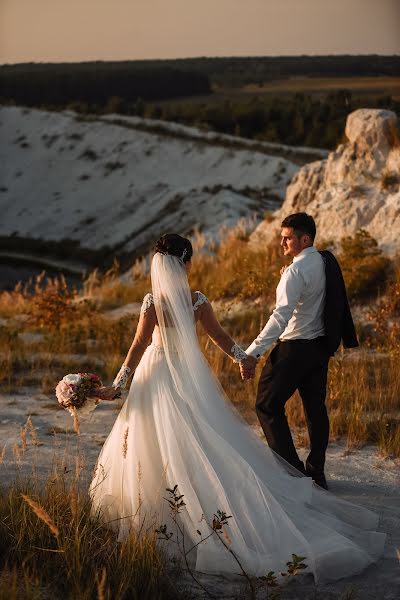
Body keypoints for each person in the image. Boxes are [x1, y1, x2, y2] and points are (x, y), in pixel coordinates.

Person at [90, 233, 384, 583]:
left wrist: (117, 387)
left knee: (150, 440)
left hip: (155, 374)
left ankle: (157, 512)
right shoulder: (196, 300)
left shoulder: (152, 302)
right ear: (186, 263)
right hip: (187, 372)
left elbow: (138, 346)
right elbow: (221, 338)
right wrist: (244, 359)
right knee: (197, 436)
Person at [240, 213, 358, 491]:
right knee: (315, 408)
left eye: (288, 238)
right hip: (319, 348)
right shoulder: (324, 261)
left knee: (266, 406)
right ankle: (316, 472)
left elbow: (280, 317)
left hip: (293, 349)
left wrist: (252, 352)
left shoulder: (295, 271)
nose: (281, 243)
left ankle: (292, 475)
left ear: (305, 239)